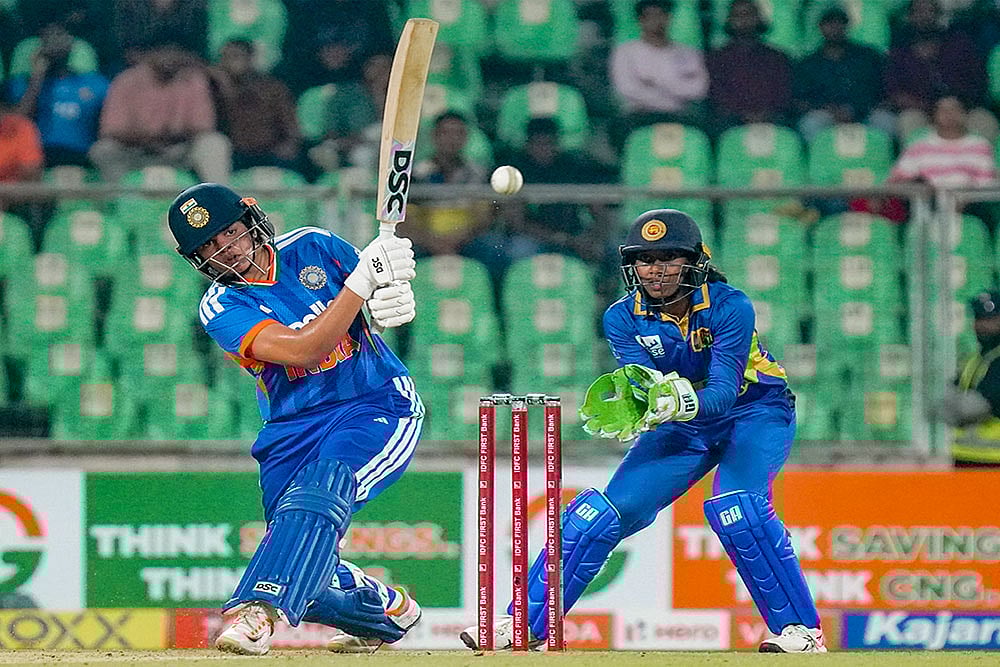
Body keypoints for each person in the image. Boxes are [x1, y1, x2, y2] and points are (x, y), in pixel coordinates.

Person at [462, 209, 826, 654]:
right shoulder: (622, 317)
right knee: (593, 518)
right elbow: (645, 381)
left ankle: (801, 632)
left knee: (738, 509)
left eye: (669, 258)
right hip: (682, 425)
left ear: (695, 261)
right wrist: (644, 407)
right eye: (645, 259)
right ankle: (526, 624)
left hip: (755, 412)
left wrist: (675, 401)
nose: (656, 270)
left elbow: (725, 391)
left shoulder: (731, 305)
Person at [166, 182, 423, 655]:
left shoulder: (313, 245)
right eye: (208, 247)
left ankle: (256, 615)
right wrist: (362, 284)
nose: (225, 251)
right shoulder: (220, 307)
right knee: (307, 566)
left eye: (229, 234)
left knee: (319, 493)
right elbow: (306, 350)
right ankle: (388, 609)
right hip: (291, 430)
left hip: (375, 403)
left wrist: (393, 298)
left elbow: (380, 291)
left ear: (250, 221)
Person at [90, 41, 231, 184]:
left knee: (215, 143)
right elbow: (112, 129)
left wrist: (167, 137)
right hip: (135, 151)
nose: (169, 57)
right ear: (149, 54)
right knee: (103, 149)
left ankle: (218, 200)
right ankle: (117, 200)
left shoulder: (193, 79)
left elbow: (203, 126)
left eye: (174, 52)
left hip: (178, 150)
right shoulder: (127, 80)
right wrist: (146, 139)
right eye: (162, 52)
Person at [8, 21, 109, 167]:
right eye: (49, 37)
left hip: (81, 156)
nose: (55, 43)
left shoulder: (95, 83)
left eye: (61, 36)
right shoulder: (22, 84)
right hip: (37, 155)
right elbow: (17, 123)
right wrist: (37, 75)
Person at [793, 6, 891, 142]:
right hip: (826, 113)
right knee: (811, 124)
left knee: (885, 122)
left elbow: (877, 89)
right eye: (829, 24)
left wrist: (854, 109)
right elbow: (802, 98)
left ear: (846, 26)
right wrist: (829, 109)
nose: (834, 28)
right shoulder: (809, 63)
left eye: (839, 23)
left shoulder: (867, 56)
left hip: (865, 110)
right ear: (821, 27)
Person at [609, 0, 709, 134]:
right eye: (651, 16)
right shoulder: (625, 52)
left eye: (662, 15)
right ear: (641, 20)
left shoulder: (687, 53)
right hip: (640, 115)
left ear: (669, 17)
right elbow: (627, 89)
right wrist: (674, 89)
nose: (657, 21)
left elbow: (698, 89)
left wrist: (655, 83)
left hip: (679, 115)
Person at [208, 39, 302, 174]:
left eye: (236, 56)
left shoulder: (273, 88)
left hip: (271, 152)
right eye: (225, 58)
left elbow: (290, 127)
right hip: (235, 154)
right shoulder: (215, 91)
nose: (229, 62)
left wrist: (288, 145)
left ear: (250, 58)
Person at [706, 0, 793, 132]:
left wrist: (765, 114)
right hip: (732, 120)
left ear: (759, 18)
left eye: (748, 14)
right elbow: (717, 93)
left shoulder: (778, 58)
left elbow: (784, 92)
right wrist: (744, 115)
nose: (743, 20)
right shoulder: (717, 58)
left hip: (773, 118)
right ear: (729, 20)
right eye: (738, 15)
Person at [941, 289, 1000, 467]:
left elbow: (979, 406)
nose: (982, 325)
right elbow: (941, 403)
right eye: (979, 319)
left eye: (990, 320)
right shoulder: (973, 360)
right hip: (964, 460)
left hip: (994, 462)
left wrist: (956, 408)